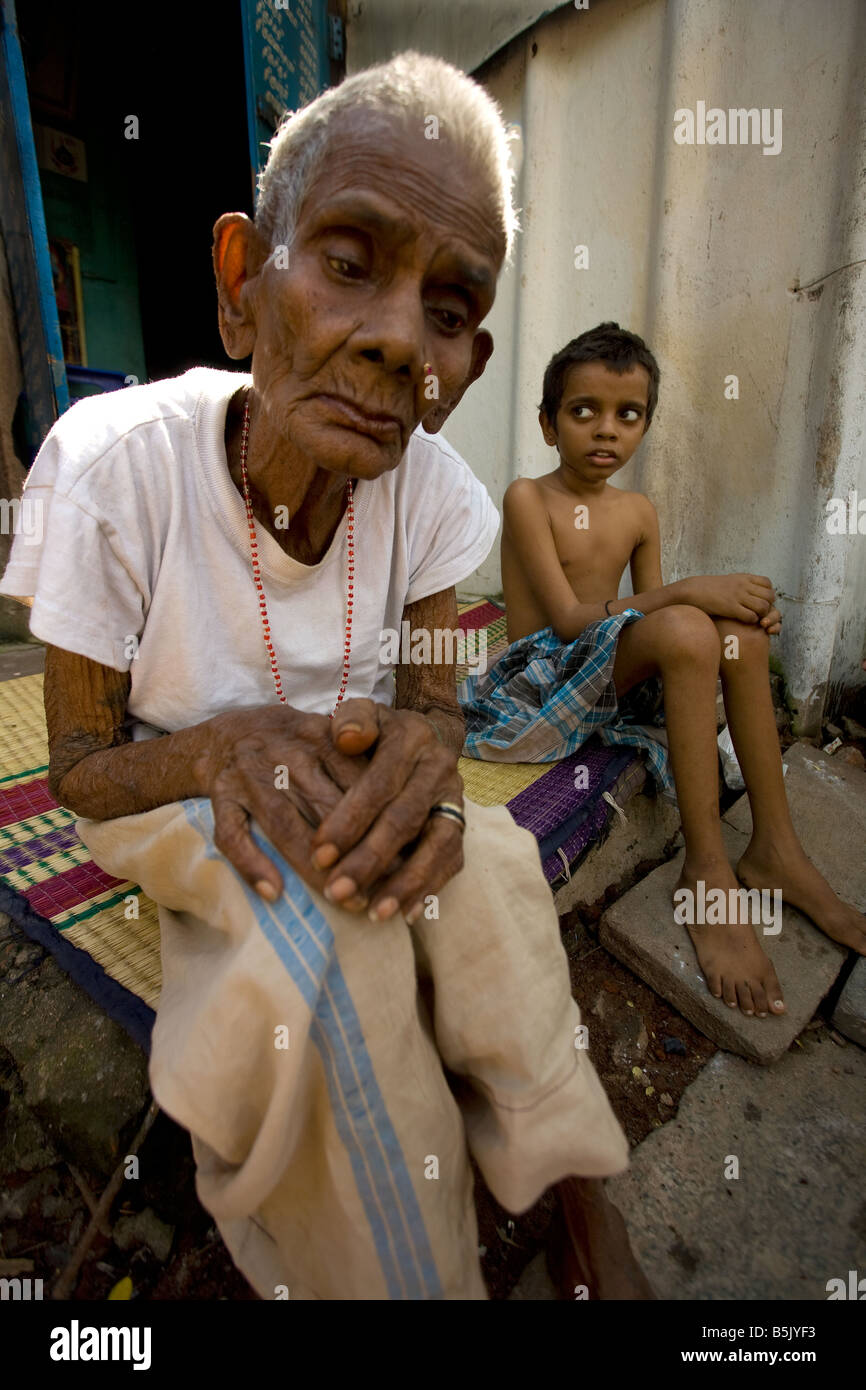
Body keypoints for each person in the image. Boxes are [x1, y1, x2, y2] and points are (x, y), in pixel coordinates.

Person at [0, 57, 653, 1300]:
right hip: (165, 775)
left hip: (335, 765)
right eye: (348, 263)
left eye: (450, 311)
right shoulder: (106, 468)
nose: (400, 337)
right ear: (241, 286)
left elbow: (430, 703)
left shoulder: (438, 498)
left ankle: (573, 1185)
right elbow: (76, 773)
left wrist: (434, 768)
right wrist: (215, 750)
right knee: (331, 938)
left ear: (465, 365)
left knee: (489, 860)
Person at [461, 322, 866, 1019]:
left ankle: (776, 846)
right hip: (538, 683)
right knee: (687, 616)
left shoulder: (638, 509)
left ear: (646, 424)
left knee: (735, 633)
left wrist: (726, 613)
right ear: (548, 424)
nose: (606, 431)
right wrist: (689, 594)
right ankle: (707, 868)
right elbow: (566, 621)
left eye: (629, 414)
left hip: (604, 677)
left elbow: (645, 625)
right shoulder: (529, 496)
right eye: (582, 411)